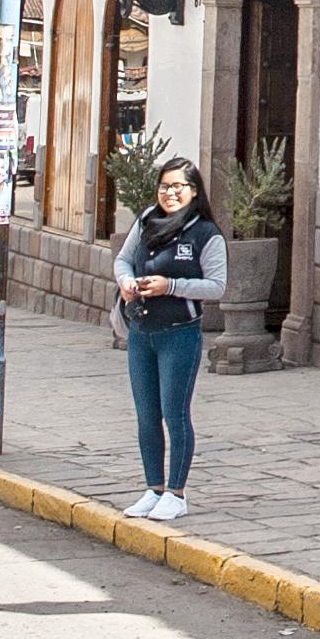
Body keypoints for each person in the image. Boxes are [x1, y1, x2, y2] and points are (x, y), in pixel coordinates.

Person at [114, 156, 224, 522]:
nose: (170, 193)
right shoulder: (147, 219)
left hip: (179, 334)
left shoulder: (206, 233)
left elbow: (216, 286)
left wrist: (171, 286)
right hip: (142, 332)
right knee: (147, 414)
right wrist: (127, 282)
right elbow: (123, 259)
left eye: (178, 186)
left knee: (174, 413)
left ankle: (177, 493)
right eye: (164, 186)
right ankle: (153, 488)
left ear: (193, 191)